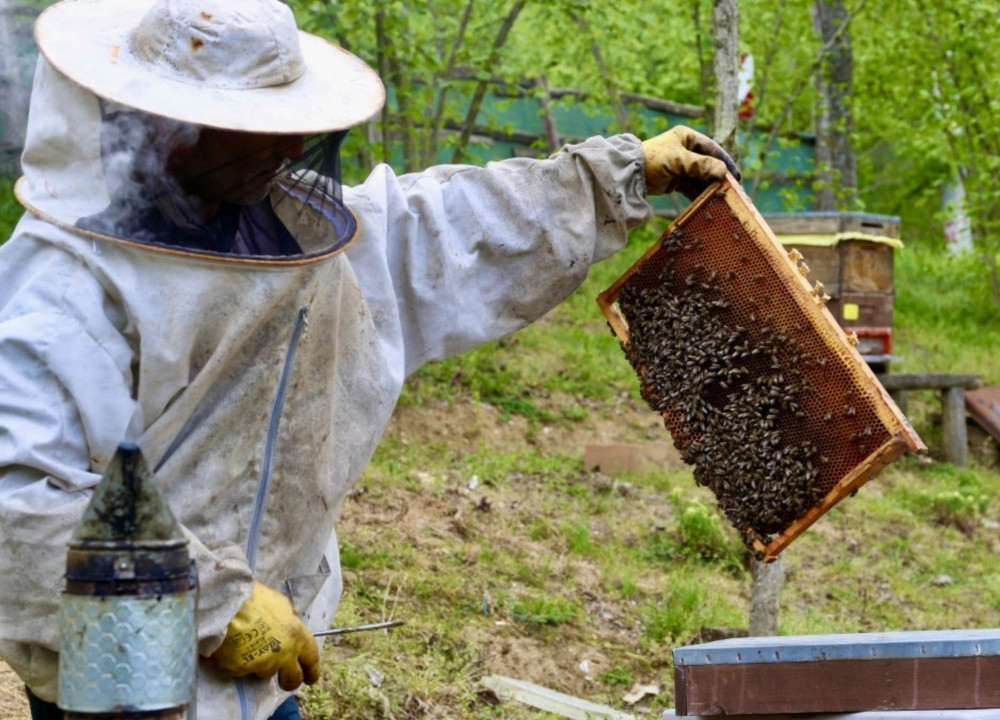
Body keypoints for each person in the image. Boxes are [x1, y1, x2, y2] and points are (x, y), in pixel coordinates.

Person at [0, 0, 739, 718]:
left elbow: (440, 228)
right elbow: (20, 505)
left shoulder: (288, 229)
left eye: (290, 124)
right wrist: (212, 603)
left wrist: (614, 173)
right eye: (257, 129)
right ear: (174, 129)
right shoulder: (64, 289)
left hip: (265, 670)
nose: (288, 148)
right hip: (123, 672)